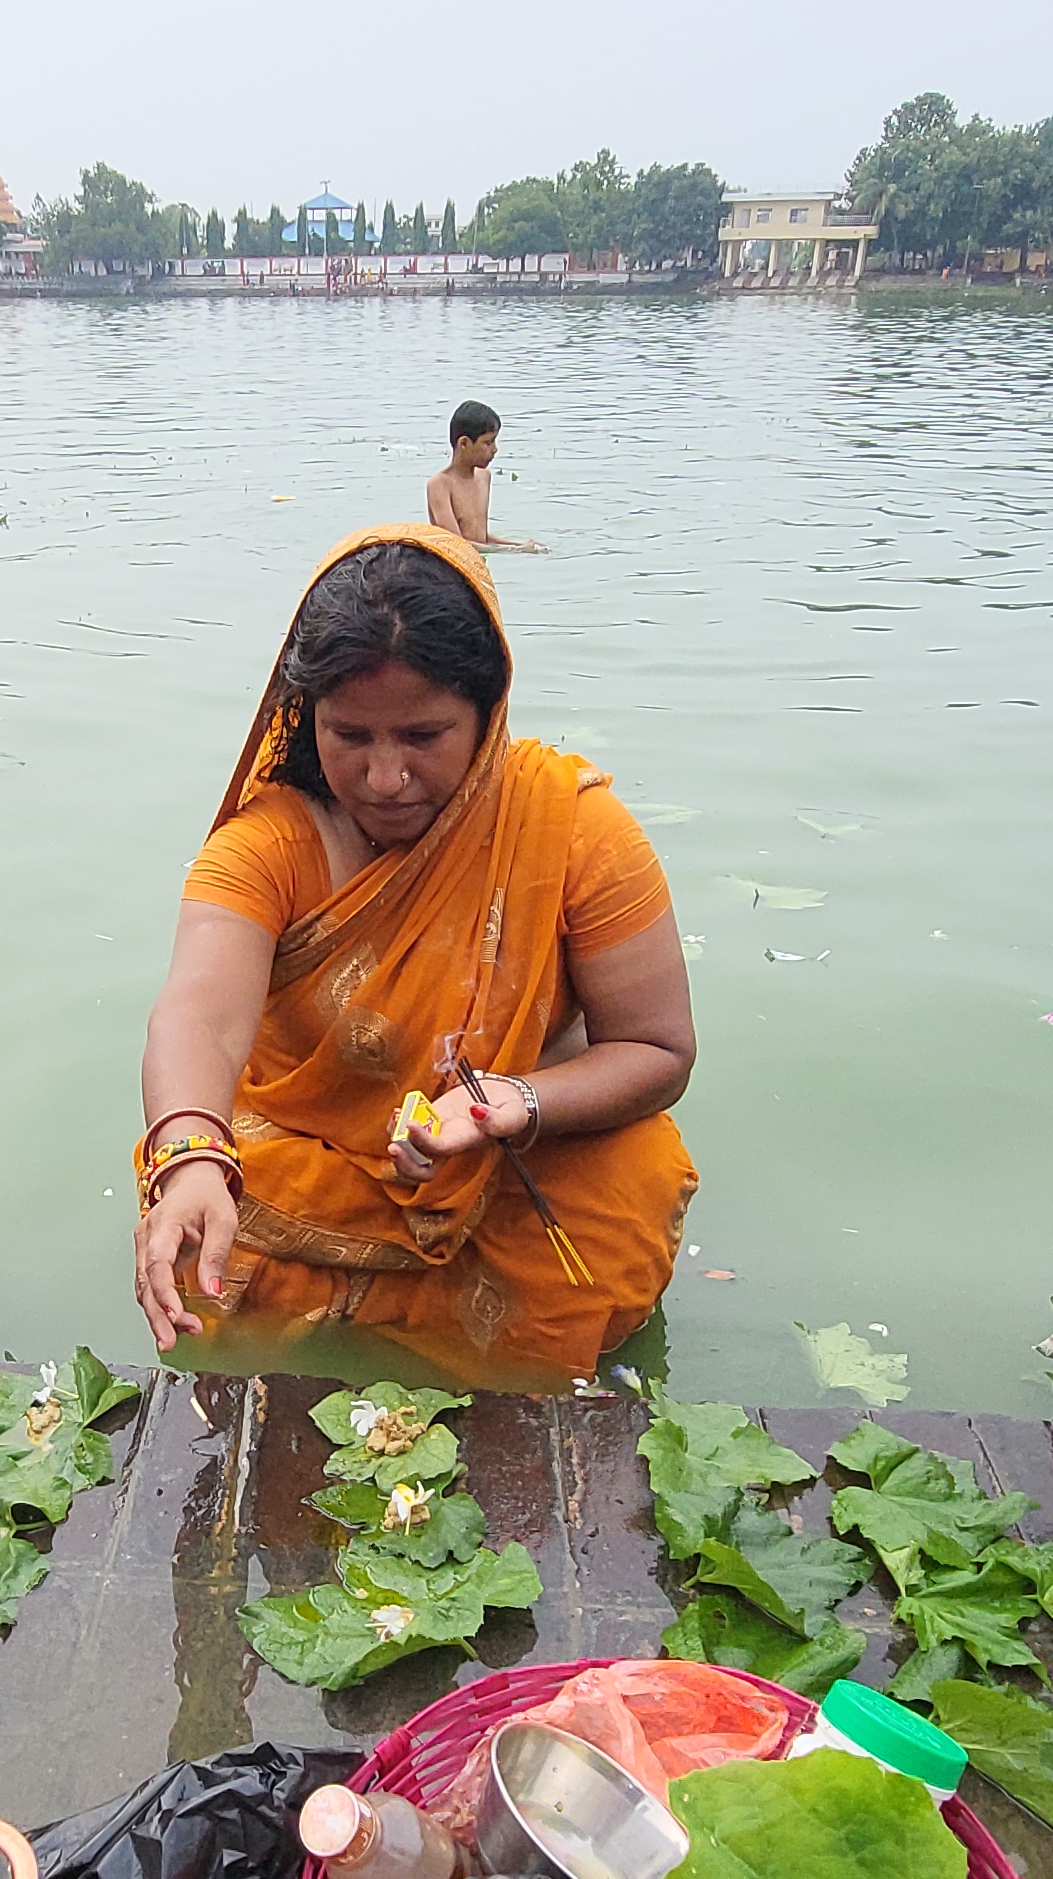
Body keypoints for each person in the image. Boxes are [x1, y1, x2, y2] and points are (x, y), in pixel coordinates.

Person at [133, 526, 696, 1385]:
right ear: (305, 716)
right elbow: (199, 1019)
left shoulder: (572, 827)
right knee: (200, 1216)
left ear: (487, 711)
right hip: (313, 1166)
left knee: (638, 1174)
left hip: (501, 1159)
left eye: (424, 736)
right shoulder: (268, 847)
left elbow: (658, 1050)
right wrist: (190, 1155)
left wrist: (509, 1104)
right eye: (349, 736)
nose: (385, 777)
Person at [423, 401, 531, 551]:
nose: (495, 449)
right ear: (464, 443)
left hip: (478, 565)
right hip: (452, 569)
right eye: (488, 443)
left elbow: (480, 537)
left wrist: (521, 546)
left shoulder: (483, 477)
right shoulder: (440, 485)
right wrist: (511, 551)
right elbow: (455, 543)